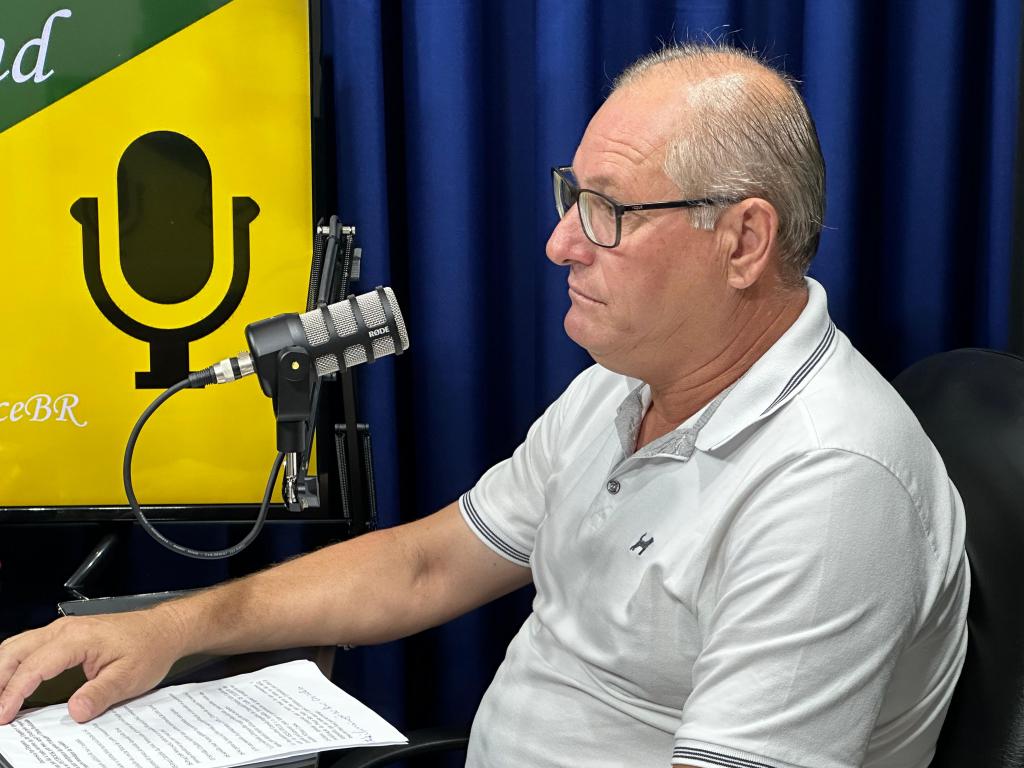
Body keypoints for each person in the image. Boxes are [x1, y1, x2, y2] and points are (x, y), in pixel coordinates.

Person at [0, 43, 968, 768]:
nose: (561, 243)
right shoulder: (623, 385)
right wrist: (170, 628)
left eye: (609, 210)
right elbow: (424, 567)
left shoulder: (831, 487)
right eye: (570, 195)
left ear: (744, 241)